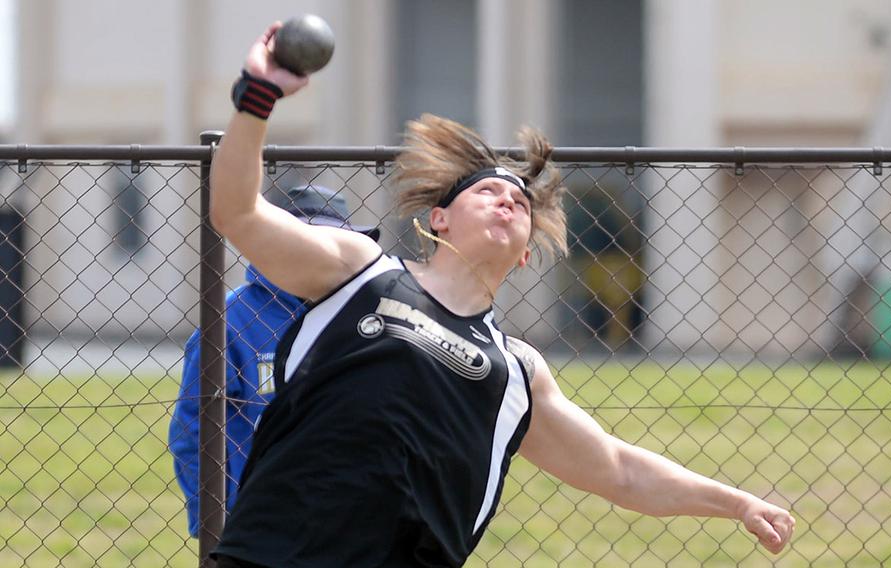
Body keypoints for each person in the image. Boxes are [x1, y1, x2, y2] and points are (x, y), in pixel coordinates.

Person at [208, 22, 796, 568]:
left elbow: (618, 470)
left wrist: (736, 503)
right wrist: (259, 97)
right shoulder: (360, 274)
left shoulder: (516, 371)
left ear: (522, 254)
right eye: (487, 190)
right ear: (438, 219)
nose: (508, 200)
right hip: (275, 555)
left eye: (519, 201)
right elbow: (237, 212)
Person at [167, 184, 379, 539]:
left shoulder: (367, 313)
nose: (316, 254)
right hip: (261, 524)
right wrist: (221, 519)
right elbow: (193, 430)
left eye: (329, 243)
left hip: (350, 520)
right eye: (305, 240)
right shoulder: (231, 319)